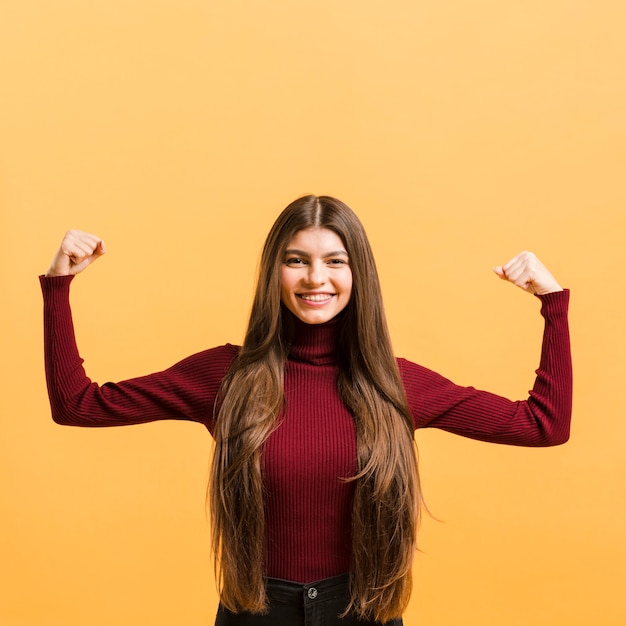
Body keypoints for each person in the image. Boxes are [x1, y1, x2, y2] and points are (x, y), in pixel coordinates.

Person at [41, 194, 572, 626]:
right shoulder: (226, 376)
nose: (315, 279)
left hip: (363, 612)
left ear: (357, 273)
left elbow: (542, 425)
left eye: (334, 261)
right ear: (275, 272)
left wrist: (553, 304)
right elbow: (78, 404)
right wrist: (59, 285)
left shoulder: (395, 382)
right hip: (254, 611)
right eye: (297, 260)